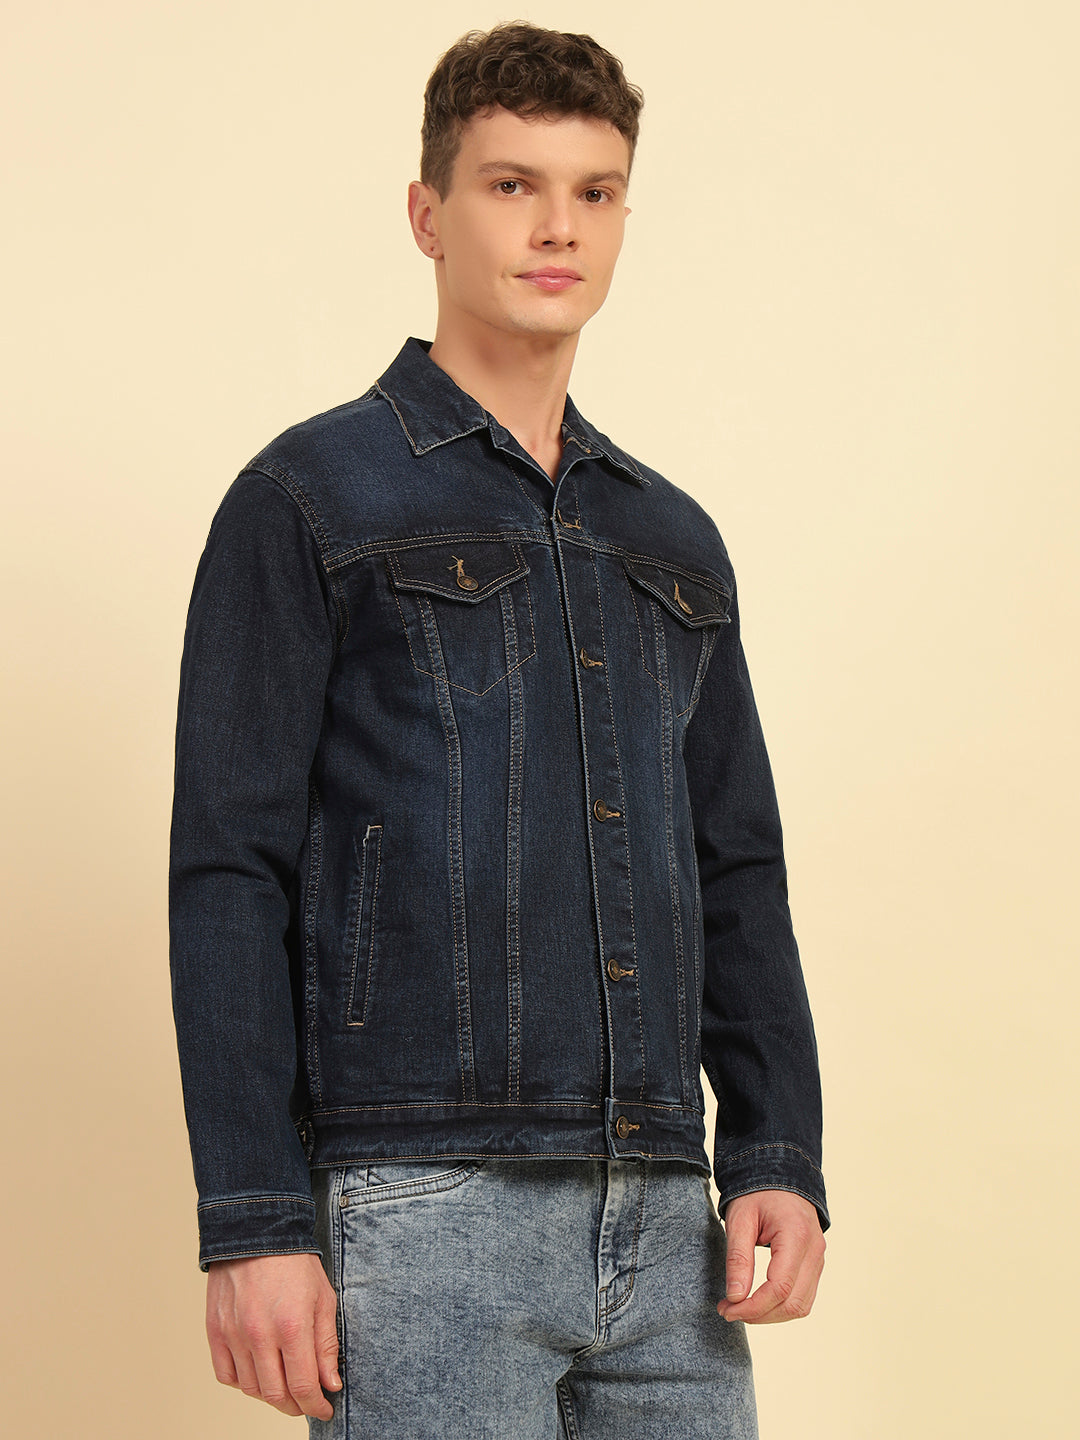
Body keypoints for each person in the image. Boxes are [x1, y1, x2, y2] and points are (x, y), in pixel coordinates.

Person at [169, 21, 829, 1438]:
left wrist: (777, 1148)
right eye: (512, 184)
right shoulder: (308, 499)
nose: (558, 227)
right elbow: (229, 871)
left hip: (669, 1218)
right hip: (422, 1211)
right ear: (428, 212)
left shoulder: (671, 538)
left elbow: (737, 867)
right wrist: (254, 1220)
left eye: (596, 192)